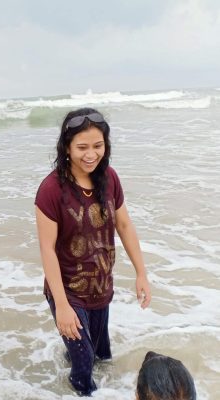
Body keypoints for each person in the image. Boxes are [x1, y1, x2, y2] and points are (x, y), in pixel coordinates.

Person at [35, 108, 152, 396]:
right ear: (66, 148)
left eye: (98, 146)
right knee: (85, 366)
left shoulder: (109, 178)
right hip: (69, 291)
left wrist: (142, 274)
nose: (91, 154)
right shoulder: (51, 190)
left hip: (100, 286)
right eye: (82, 147)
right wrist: (61, 306)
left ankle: (69, 364)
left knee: (102, 355)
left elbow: (124, 225)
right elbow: (47, 250)